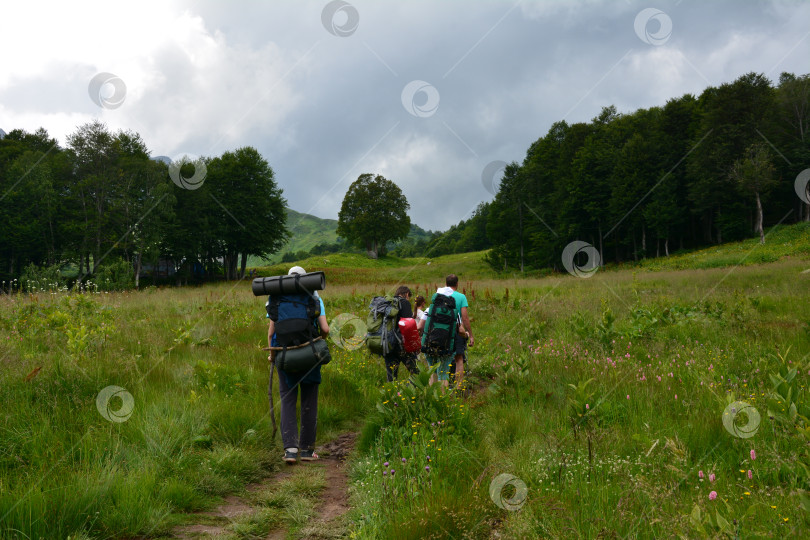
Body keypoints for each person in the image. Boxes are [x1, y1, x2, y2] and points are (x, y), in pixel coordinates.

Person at [267, 266, 329, 464]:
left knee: (287, 400)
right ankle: (308, 451)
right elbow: (325, 328)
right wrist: (319, 341)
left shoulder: (276, 298)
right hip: (309, 356)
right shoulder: (313, 296)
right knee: (309, 401)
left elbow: (271, 332)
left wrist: (272, 354)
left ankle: (291, 451)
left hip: (284, 355)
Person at [435, 274, 473, 390]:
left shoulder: (438, 295)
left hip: (440, 329)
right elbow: (465, 318)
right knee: (459, 358)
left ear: (445, 283)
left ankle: (440, 387)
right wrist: (470, 334)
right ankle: (458, 387)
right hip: (456, 329)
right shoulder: (461, 297)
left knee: (441, 358)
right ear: (457, 284)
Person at [383, 285, 420, 382]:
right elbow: (409, 326)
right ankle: (408, 393)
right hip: (401, 344)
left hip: (387, 344)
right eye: (409, 296)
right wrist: (414, 345)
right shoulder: (404, 303)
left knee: (391, 377)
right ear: (406, 294)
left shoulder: (387, 303)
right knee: (417, 373)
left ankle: (392, 396)